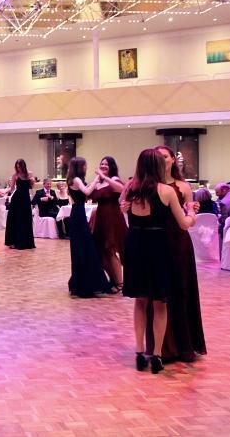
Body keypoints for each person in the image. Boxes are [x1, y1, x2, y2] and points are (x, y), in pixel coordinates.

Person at [122, 148, 195, 374]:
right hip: (159, 248)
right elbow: (183, 224)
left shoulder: (130, 189)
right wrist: (192, 213)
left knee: (140, 300)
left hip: (135, 246)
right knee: (160, 303)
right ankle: (156, 355)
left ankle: (139, 351)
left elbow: (127, 219)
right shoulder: (166, 191)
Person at [143, 146, 208, 363]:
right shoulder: (148, 186)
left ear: (172, 160)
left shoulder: (183, 187)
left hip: (178, 242)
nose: (162, 160)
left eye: (165, 156)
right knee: (157, 294)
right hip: (155, 243)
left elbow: (189, 218)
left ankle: (182, 344)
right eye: (158, 157)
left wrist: (192, 213)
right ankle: (160, 347)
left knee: (180, 289)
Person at [66, 157, 110, 297]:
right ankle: (85, 284)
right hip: (78, 214)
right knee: (84, 247)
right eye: (85, 165)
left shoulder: (75, 179)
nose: (86, 167)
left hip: (78, 213)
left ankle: (84, 282)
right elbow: (86, 192)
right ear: (80, 166)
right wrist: (97, 178)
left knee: (83, 247)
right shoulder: (76, 179)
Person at [89, 156, 127, 292]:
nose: (103, 166)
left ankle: (120, 283)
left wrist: (104, 177)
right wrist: (97, 179)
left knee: (110, 249)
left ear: (111, 167)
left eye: (106, 164)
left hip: (112, 217)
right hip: (101, 217)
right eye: (102, 164)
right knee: (100, 251)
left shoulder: (114, 179)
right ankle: (113, 280)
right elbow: (88, 194)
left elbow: (121, 189)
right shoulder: (99, 182)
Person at [0, 159, 35, 249]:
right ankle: (14, 242)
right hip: (17, 199)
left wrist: (32, 181)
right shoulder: (15, 175)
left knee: (26, 219)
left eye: (20, 167)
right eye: (17, 167)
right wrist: (4, 192)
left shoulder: (29, 174)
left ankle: (26, 242)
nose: (18, 169)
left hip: (26, 199)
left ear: (23, 166)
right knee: (15, 219)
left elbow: (32, 186)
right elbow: (11, 188)